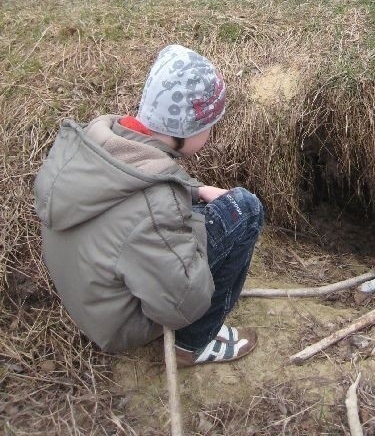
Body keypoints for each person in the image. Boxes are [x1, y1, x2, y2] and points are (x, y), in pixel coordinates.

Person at [34, 44, 264, 367]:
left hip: (89, 293)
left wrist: (195, 192)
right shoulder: (158, 205)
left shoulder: (100, 139)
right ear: (186, 129)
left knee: (207, 213)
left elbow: (138, 203)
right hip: (118, 323)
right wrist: (195, 225)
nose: (211, 134)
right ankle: (193, 345)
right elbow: (185, 303)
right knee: (246, 210)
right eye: (208, 126)